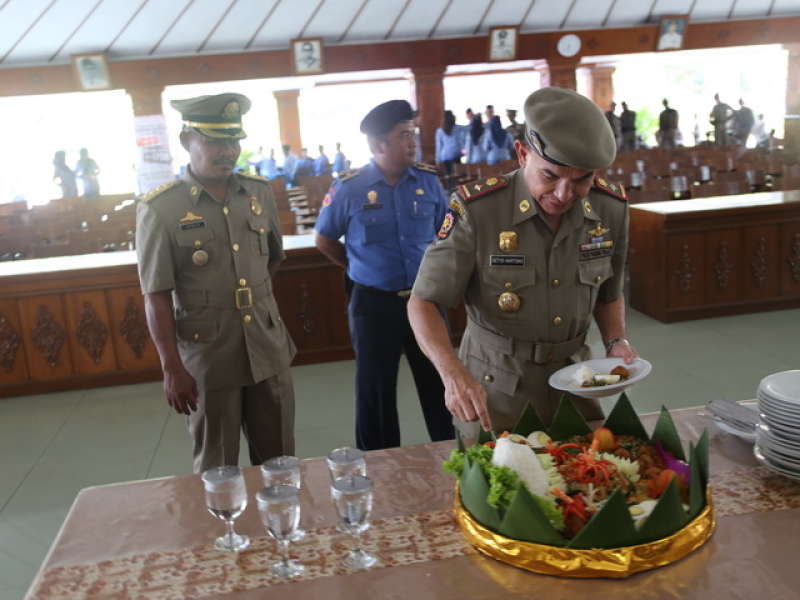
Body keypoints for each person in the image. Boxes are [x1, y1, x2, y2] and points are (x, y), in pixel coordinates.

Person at [407, 87, 637, 434]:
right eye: (550, 176)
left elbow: (609, 293)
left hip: (576, 383)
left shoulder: (610, 209)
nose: (564, 194)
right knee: (494, 483)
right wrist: (452, 373)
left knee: (583, 481)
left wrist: (616, 341)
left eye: (581, 180)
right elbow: (423, 301)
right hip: (495, 389)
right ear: (522, 153)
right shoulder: (478, 210)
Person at [135, 93, 296, 473]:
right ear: (187, 141)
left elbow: (272, 260)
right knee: (217, 469)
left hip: (266, 346)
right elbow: (155, 294)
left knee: (280, 463)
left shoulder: (258, 193)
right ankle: (222, 532)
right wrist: (171, 367)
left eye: (233, 141)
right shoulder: (161, 208)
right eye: (214, 141)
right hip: (207, 356)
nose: (228, 151)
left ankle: (279, 533)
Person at [314, 99, 454, 451]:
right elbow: (324, 238)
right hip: (374, 303)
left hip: (425, 300)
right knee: (375, 390)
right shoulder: (349, 188)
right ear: (379, 145)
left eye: (413, 134)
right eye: (404, 135)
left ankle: (450, 454)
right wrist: (356, 266)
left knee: (440, 380)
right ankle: (378, 466)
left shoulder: (428, 181)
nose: (413, 142)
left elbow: (445, 234)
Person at [435, 110, 462, 177]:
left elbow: (439, 147)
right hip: (457, 154)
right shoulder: (458, 128)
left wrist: (437, 160)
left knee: (448, 176)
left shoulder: (440, 131)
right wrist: (463, 152)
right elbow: (461, 143)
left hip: (445, 156)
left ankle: (450, 186)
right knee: (458, 176)